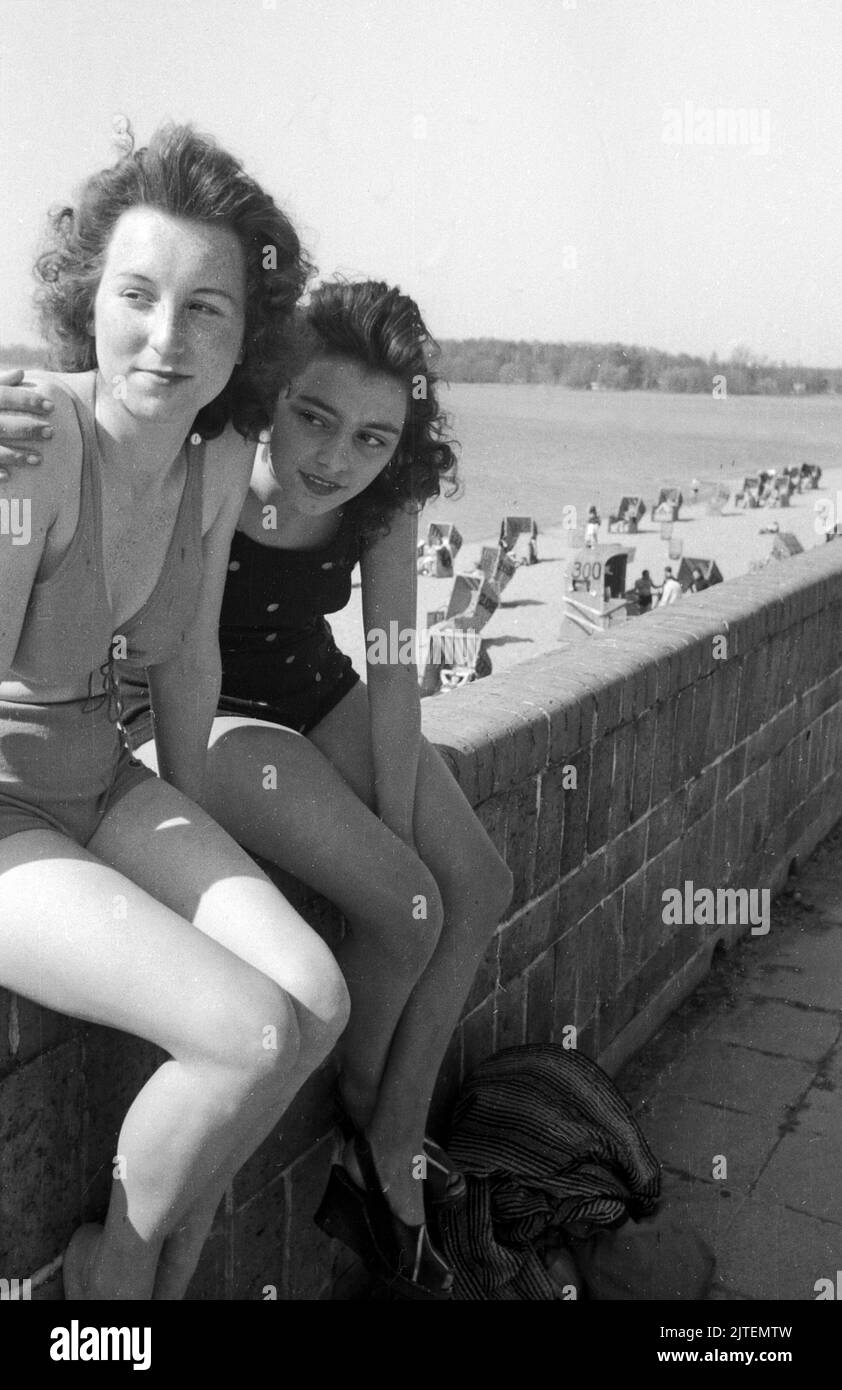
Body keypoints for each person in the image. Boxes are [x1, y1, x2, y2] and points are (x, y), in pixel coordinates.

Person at [0, 278, 515, 1301]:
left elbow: (396, 662)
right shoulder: (215, 450)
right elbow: (94, 411)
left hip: (312, 685)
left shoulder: (385, 498)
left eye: (372, 438)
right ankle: (370, 1132)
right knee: (407, 914)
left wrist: (400, 831)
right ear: (271, 388)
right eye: (313, 416)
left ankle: (392, 1133)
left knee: (474, 885)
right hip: (194, 706)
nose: (334, 458)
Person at [0, 123, 352, 1302]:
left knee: (314, 999)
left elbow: (189, 662)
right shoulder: (34, 448)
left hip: (100, 781)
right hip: (2, 817)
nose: (166, 336)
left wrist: (197, 854)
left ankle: (157, 1257)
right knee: (247, 1034)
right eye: (137, 295)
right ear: (85, 300)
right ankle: (113, 1277)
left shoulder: (215, 457)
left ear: (246, 334)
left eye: (207, 307)